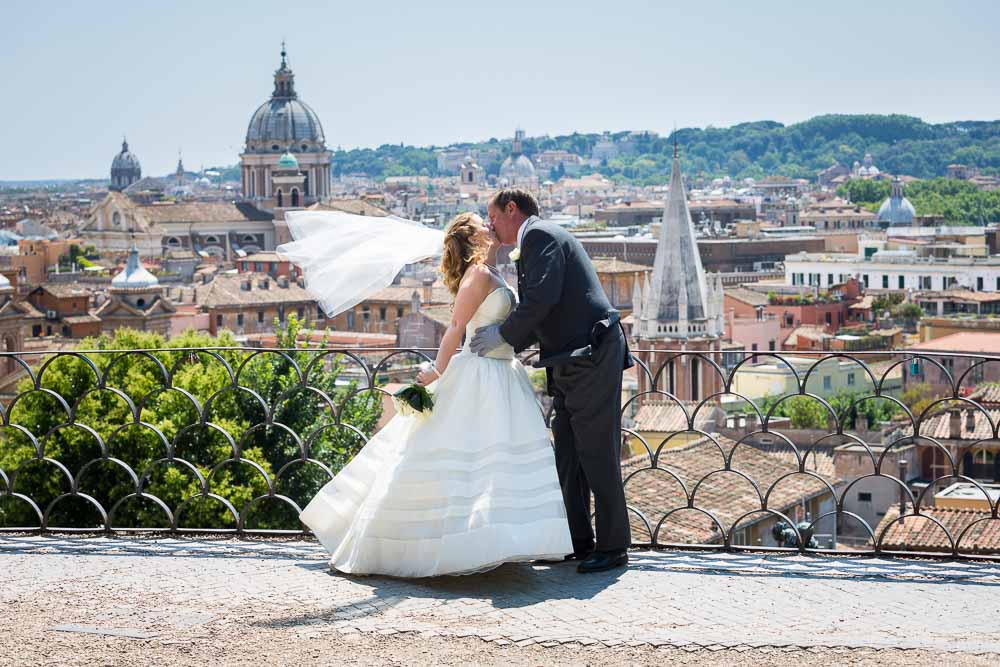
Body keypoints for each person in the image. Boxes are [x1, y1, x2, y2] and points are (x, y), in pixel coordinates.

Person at [298, 212, 573, 577]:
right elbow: (456, 328)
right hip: (480, 374)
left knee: (491, 463)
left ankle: (496, 540)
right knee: (465, 459)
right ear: (474, 239)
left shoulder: (491, 272)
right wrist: (437, 371)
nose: (490, 225)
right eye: (482, 224)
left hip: (502, 373)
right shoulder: (478, 275)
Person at [471, 188, 632, 574]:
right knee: (569, 454)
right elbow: (547, 308)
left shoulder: (541, 236)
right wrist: (511, 339)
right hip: (570, 358)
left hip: (589, 356)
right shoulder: (538, 239)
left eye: (492, 217)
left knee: (596, 452)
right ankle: (576, 541)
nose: (490, 225)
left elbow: (542, 299)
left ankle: (613, 547)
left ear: (512, 209)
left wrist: (504, 337)